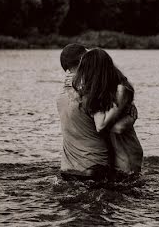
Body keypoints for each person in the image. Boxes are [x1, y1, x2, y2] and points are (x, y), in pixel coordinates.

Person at [73, 48, 143, 177]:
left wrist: (125, 115)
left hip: (126, 154)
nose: (84, 75)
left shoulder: (120, 90)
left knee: (128, 185)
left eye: (86, 70)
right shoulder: (104, 91)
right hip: (115, 154)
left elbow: (107, 126)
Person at [56, 44, 111, 181]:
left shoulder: (61, 96)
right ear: (83, 61)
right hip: (94, 168)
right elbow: (104, 126)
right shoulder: (91, 94)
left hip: (67, 169)